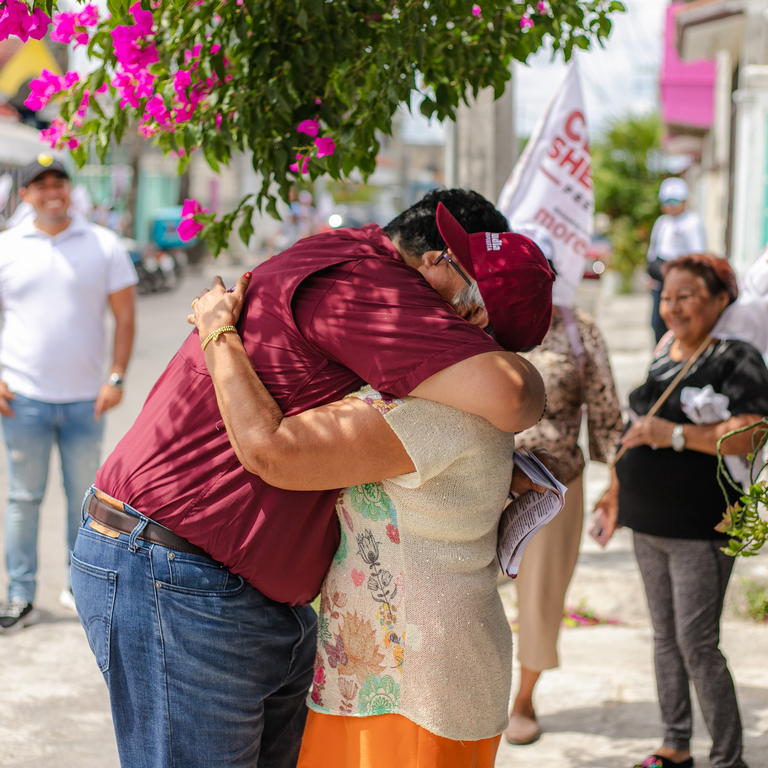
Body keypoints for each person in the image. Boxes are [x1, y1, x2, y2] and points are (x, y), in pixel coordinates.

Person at [71, 189, 548, 768]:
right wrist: (218, 335)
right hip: (180, 575)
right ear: (433, 260)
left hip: (288, 615)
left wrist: (217, 330)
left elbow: (514, 392)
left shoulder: (405, 335)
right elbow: (270, 450)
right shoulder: (368, 285)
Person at [596, 254, 768, 768]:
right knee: (665, 637)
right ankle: (674, 745)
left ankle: (727, 757)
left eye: (687, 295)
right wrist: (614, 495)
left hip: (703, 524)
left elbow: (751, 434)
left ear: (720, 300)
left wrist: (672, 435)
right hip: (649, 520)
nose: (673, 307)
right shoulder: (664, 351)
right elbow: (634, 431)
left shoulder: (737, 358)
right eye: (668, 296)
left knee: (697, 642)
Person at [0, 154, 137, 632]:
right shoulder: (8, 247)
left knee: (85, 500)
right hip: (22, 399)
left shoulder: (103, 245)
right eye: (41, 185)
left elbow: (124, 317)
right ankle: (20, 595)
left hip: (85, 399)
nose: (51, 191)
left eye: (58, 182)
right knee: (23, 498)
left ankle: (82, 588)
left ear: (69, 191)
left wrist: (116, 376)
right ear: (26, 195)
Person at [503, 230, 624, 746]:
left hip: (554, 487)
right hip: (480, 478)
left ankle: (523, 696)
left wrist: (615, 484)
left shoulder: (579, 332)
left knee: (540, 599)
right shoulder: (484, 326)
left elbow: (606, 415)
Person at [647, 178, 706, 343]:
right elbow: (654, 250)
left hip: (681, 283)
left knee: (680, 322)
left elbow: (697, 255)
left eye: (674, 201)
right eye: (667, 202)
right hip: (660, 282)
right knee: (658, 323)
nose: (670, 206)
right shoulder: (662, 222)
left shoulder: (692, 222)